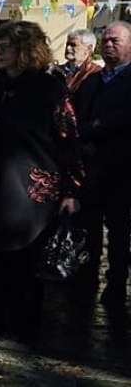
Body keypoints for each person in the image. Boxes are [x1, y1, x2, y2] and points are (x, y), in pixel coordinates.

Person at [0, 21, 83, 342]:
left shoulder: (48, 88)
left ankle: (26, 325)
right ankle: (1, 319)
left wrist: (72, 189)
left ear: (26, 49)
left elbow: (68, 140)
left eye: (5, 47)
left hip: (31, 191)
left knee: (25, 262)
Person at [71, 21, 131, 308]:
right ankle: (87, 274)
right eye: (105, 40)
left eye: (115, 41)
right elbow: (75, 115)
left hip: (121, 169)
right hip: (90, 167)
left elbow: (123, 118)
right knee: (88, 224)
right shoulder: (92, 81)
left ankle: (117, 282)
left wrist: (94, 126)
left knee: (119, 230)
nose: (108, 45)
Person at [62, 29, 101, 93]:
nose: (68, 48)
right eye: (67, 44)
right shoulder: (58, 70)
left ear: (89, 48)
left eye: (73, 45)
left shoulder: (95, 73)